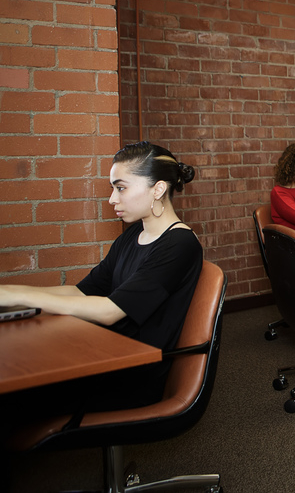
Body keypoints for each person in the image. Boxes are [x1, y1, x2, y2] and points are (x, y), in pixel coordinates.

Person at [0, 141, 202, 415]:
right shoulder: (132, 235)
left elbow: (110, 311)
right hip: (107, 351)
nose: (112, 199)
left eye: (121, 188)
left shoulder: (180, 245)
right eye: (113, 189)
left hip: (132, 372)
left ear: (158, 188)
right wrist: (10, 296)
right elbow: (82, 292)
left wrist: (19, 296)